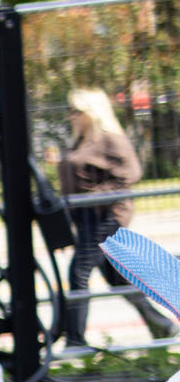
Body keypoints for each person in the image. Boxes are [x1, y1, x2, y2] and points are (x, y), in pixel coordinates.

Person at [59, 87, 175, 345]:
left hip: (107, 216)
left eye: (76, 111)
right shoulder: (79, 142)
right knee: (115, 278)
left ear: (91, 112)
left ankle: (75, 341)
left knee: (79, 272)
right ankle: (162, 325)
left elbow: (131, 174)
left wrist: (95, 196)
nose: (71, 116)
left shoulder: (111, 140)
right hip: (85, 217)